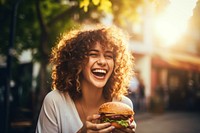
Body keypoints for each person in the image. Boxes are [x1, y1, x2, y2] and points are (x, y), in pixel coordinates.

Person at [35, 24, 136, 133]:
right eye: (93, 54)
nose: (102, 62)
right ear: (77, 61)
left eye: (108, 56)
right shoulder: (54, 102)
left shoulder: (124, 105)